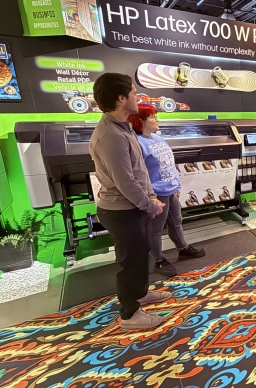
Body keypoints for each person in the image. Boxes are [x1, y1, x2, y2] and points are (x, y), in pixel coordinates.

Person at [89, 73, 170, 330]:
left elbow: (139, 171)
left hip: (134, 206)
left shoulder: (122, 128)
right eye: (134, 93)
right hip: (121, 210)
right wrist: (150, 204)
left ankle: (139, 293)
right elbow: (125, 182)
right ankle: (130, 315)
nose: (138, 97)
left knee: (138, 254)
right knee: (129, 260)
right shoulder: (111, 135)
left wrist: (152, 197)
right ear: (121, 98)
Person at [128, 104, 206, 277]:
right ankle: (158, 259)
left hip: (170, 191)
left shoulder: (157, 138)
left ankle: (183, 248)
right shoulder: (137, 143)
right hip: (156, 194)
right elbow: (138, 174)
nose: (157, 120)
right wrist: (151, 196)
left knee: (176, 221)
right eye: (153, 117)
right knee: (155, 229)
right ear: (140, 120)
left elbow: (169, 164)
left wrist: (176, 185)